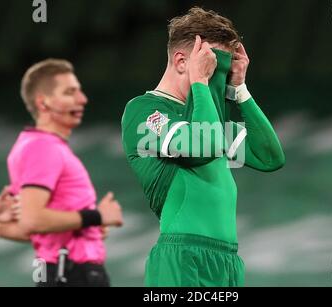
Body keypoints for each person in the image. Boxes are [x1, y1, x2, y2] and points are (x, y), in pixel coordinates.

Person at [121, 7, 285, 286]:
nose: (217, 82)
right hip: (182, 258)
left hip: (227, 263)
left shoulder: (209, 118)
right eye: (211, 70)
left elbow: (270, 157)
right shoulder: (145, 111)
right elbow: (203, 145)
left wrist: (240, 89)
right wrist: (199, 81)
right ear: (182, 62)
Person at [0, 59, 124, 287]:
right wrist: (97, 217)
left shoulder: (31, 144)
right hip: (72, 274)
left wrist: (85, 227)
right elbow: (32, 219)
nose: (82, 99)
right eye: (70, 92)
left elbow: (8, 227)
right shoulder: (43, 148)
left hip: (59, 271)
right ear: (43, 103)